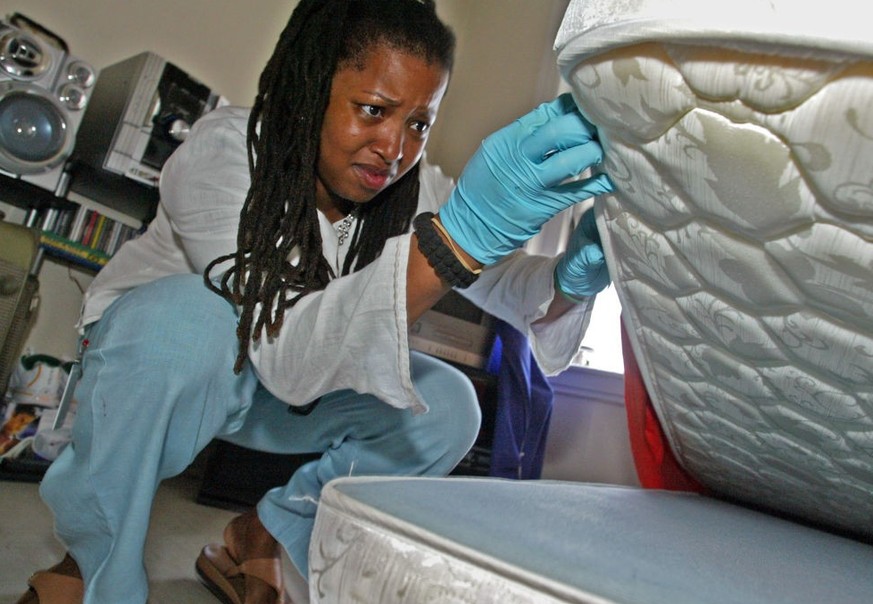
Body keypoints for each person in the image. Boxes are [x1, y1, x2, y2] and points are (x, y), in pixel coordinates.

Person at [17, 1, 613, 603]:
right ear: (312, 89)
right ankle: (92, 560)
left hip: (274, 392)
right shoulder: (228, 152)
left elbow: (508, 285)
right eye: (374, 111)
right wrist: (455, 241)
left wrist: (571, 279)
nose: (393, 147)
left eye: (418, 124)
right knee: (191, 320)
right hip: (163, 373)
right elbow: (281, 337)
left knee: (449, 407)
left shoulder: (413, 187)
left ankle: (265, 532)